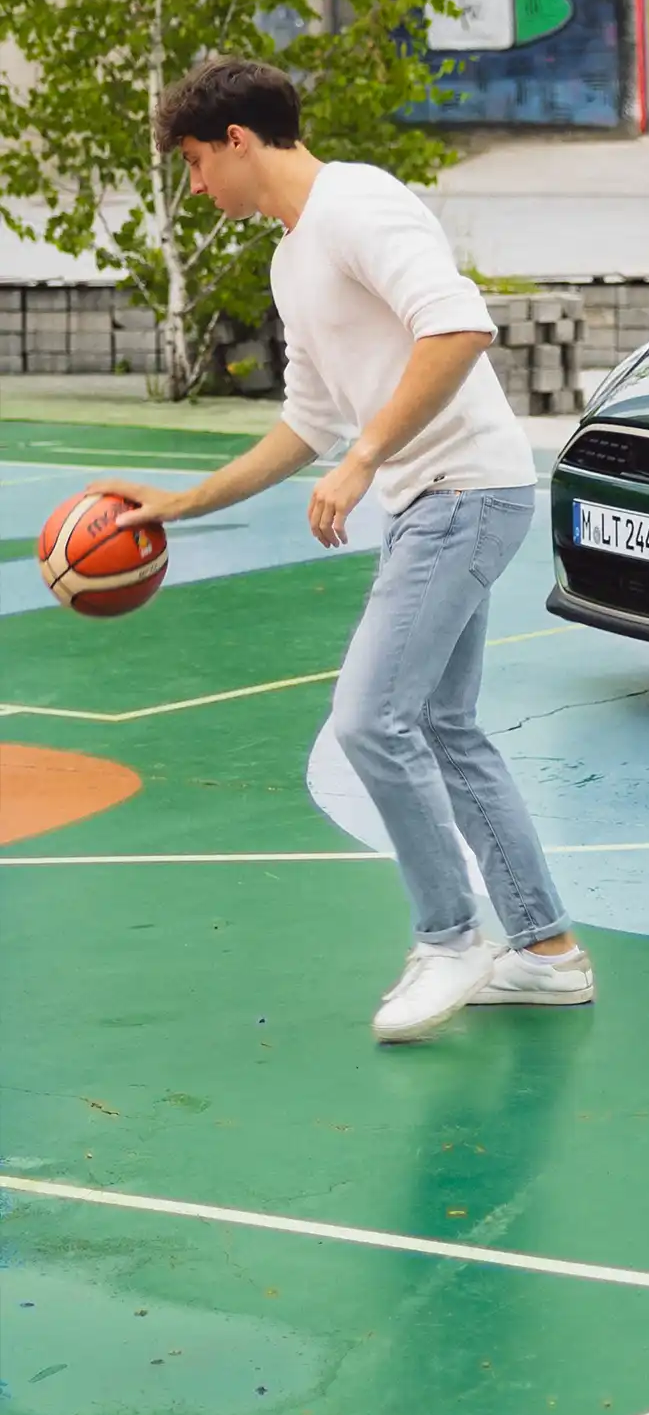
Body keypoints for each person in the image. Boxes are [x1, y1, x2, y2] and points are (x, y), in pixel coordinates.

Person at [98, 57, 593, 1044]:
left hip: (462, 494)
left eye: (197, 164)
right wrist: (179, 505)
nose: (198, 187)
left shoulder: (361, 205)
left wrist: (368, 457)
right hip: (436, 503)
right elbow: (306, 424)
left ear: (238, 140)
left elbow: (458, 328)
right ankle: (545, 953)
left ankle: (449, 937)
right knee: (445, 728)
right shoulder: (292, 258)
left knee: (371, 719)